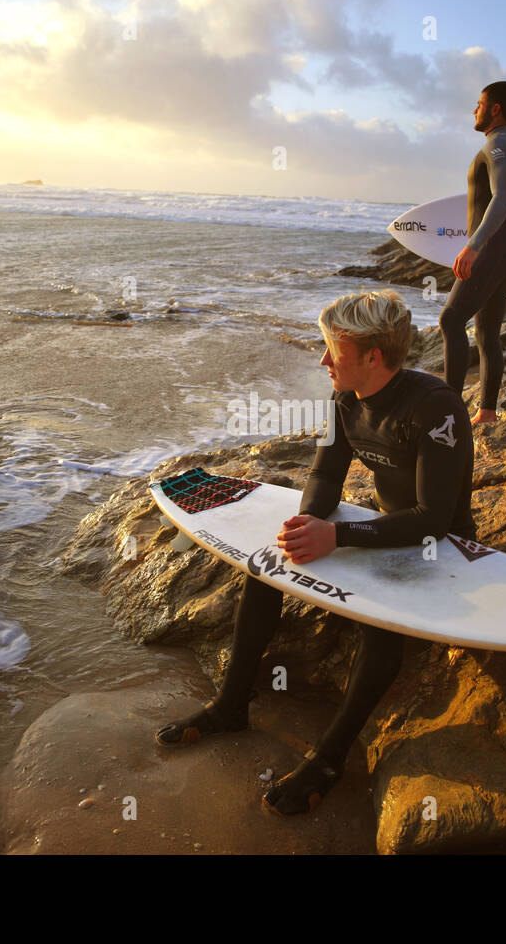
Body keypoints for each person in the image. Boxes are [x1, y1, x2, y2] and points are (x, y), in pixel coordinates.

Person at [154, 290, 478, 815]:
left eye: (333, 350)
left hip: (436, 543)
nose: (323, 360)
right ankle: (231, 705)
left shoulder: (435, 406)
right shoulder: (346, 398)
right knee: (266, 570)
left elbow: (435, 518)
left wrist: (340, 538)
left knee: (381, 626)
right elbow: (327, 472)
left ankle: (328, 758)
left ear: (372, 357)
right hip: (379, 526)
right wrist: (311, 520)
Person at [440, 80, 506, 426]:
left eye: (479, 103)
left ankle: (448, 410)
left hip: (492, 250)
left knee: (450, 319)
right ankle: (487, 413)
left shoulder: (500, 145)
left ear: (495, 109)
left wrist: (473, 246)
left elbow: (503, 197)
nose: (474, 110)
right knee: (487, 333)